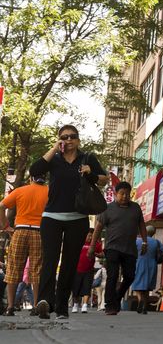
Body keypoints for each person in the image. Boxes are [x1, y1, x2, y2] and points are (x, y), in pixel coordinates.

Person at [30, 124, 108, 319]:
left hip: (78, 218)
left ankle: (62, 306)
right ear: (59, 139)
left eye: (72, 136)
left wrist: (91, 173)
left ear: (78, 139)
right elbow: (35, 170)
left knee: (69, 264)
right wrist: (55, 148)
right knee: (50, 259)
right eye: (64, 137)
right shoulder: (54, 160)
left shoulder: (86, 158)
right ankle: (45, 301)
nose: (68, 139)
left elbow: (104, 180)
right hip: (51, 218)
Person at [89, 181, 146, 315]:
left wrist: (144, 242)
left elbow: (142, 225)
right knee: (112, 275)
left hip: (129, 249)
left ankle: (118, 296)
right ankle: (110, 305)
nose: (125, 196)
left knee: (130, 276)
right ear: (116, 194)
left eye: (127, 194)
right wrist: (92, 247)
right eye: (122, 194)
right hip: (112, 248)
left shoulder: (135, 208)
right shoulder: (108, 209)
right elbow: (98, 228)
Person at [0, 175, 48, 316]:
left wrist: (4, 225)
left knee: (13, 268)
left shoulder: (21, 190)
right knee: (36, 269)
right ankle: (35, 306)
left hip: (19, 231)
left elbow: (2, 205)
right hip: (39, 232)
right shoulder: (49, 191)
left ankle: (10, 307)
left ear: (31, 177)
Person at [131, 225, 163, 314]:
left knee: (137, 285)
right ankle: (144, 306)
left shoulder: (137, 241)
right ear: (153, 233)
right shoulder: (156, 242)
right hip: (152, 264)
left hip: (139, 263)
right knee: (147, 287)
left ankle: (140, 300)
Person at [71, 230, 102, 313]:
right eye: (89, 236)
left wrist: (95, 254)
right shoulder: (79, 243)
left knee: (87, 288)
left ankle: (84, 305)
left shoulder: (96, 244)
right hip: (77, 270)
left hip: (89, 270)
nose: (90, 237)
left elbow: (102, 254)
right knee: (76, 289)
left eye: (92, 236)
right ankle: (75, 305)